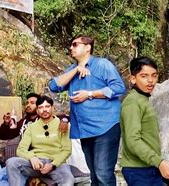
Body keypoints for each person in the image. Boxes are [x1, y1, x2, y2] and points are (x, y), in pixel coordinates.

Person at [48, 35, 126, 185]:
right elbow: (53, 86)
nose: (71, 48)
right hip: (84, 130)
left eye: (75, 44)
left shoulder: (102, 64)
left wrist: (89, 94)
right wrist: (76, 70)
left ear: (88, 47)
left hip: (105, 127)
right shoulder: (72, 70)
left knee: (103, 174)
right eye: (71, 45)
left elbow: (118, 88)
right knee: (94, 176)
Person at [120, 57, 169, 185]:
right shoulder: (133, 103)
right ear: (133, 78)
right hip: (139, 171)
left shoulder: (142, 99)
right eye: (144, 76)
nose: (150, 81)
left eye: (154, 76)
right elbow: (132, 140)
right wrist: (160, 162)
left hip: (149, 167)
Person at [5, 95, 74, 186]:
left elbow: (67, 150)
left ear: (52, 108)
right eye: (41, 107)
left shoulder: (62, 125)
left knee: (68, 180)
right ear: (37, 110)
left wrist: (52, 165)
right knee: (11, 162)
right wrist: (32, 157)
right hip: (37, 163)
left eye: (47, 106)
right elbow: (20, 149)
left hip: (56, 163)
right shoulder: (31, 127)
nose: (44, 110)